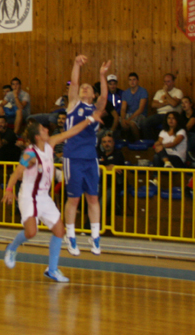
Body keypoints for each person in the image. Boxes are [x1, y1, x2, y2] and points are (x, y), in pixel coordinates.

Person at [1, 116, 97, 283]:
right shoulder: (30, 154)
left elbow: (71, 132)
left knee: (59, 231)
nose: (47, 130)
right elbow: (16, 172)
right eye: (43, 129)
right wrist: (9, 190)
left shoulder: (50, 143)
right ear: (37, 136)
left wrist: (90, 119)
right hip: (29, 195)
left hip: (44, 196)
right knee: (31, 232)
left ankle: (52, 270)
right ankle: (12, 247)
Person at [62, 55, 111, 256]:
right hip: (73, 157)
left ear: (93, 94)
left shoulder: (96, 108)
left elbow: (105, 97)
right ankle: (70, 236)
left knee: (93, 197)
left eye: (88, 87)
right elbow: (74, 83)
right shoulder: (74, 103)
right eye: (82, 87)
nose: (84, 88)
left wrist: (102, 75)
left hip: (90, 158)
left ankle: (95, 237)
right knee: (73, 199)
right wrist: (76, 64)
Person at [141, 73, 183, 141]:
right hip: (160, 115)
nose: (166, 84)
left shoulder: (178, 92)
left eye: (168, 81)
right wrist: (167, 103)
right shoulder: (159, 92)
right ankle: (151, 142)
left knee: (166, 124)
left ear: (173, 82)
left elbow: (174, 104)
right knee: (144, 123)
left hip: (172, 114)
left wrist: (166, 92)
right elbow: (153, 105)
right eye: (165, 81)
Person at [119, 73, 148, 141]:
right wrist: (123, 119)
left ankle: (138, 141)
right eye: (130, 80)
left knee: (132, 123)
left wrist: (129, 119)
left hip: (140, 114)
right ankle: (125, 141)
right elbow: (123, 108)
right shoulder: (125, 93)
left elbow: (141, 109)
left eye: (134, 80)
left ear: (137, 81)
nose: (132, 82)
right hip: (129, 114)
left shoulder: (143, 91)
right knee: (120, 121)